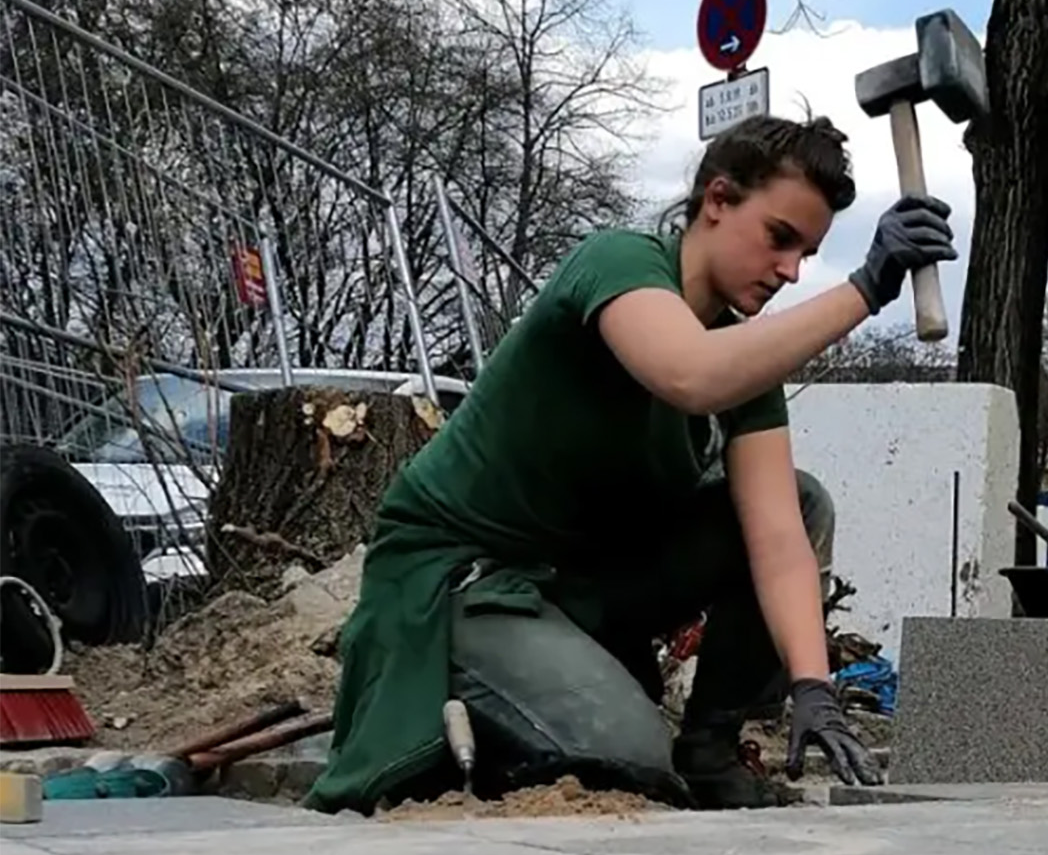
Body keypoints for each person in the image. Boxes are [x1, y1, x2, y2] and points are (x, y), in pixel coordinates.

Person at [303, 114, 958, 815]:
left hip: (576, 590)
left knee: (802, 500)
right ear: (717, 199)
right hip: (463, 582)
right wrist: (864, 289)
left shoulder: (748, 362)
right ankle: (467, 716)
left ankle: (707, 748)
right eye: (779, 237)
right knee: (625, 752)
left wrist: (813, 688)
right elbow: (689, 373)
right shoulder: (617, 264)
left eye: (808, 252)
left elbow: (777, 535)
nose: (791, 270)